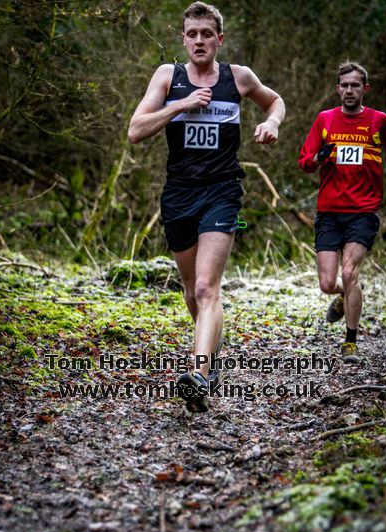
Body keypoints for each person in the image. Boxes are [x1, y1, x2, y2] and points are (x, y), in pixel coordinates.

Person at [128, 2, 285, 411]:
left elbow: (275, 101)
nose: (199, 40)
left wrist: (272, 122)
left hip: (222, 190)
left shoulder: (239, 77)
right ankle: (210, 352)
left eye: (206, 33)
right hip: (179, 193)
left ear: (220, 38)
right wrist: (180, 105)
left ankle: (198, 373)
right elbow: (135, 131)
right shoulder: (168, 76)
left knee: (205, 286)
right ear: (183, 39)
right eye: (192, 33)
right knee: (190, 291)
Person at [299, 62, 386, 363]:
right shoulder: (325, 119)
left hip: (363, 211)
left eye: (355, 85)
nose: (349, 90)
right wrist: (318, 157)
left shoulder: (379, 121)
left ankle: (350, 342)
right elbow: (305, 162)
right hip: (329, 212)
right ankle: (345, 296)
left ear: (365, 89)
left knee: (350, 272)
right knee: (328, 283)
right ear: (337, 89)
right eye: (344, 85)